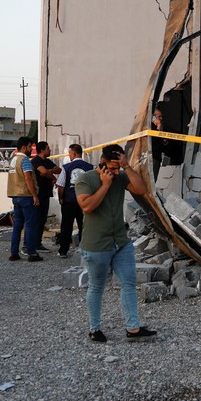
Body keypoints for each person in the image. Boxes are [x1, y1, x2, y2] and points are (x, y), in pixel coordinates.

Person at [75, 144, 156, 343]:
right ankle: (94, 329)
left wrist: (127, 167)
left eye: (117, 168)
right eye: (111, 168)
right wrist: (105, 185)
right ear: (101, 163)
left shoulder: (121, 176)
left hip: (121, 242)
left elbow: (141, 188)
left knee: (129, 283)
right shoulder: (86, 179)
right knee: (96, 286)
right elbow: (86, 207)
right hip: (96, 245)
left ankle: (133, 329)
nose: (115, 172)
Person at [6, 136, 41, 262]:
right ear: (24, 147)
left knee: (17, 225)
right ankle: (32, 253)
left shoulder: (13, 160)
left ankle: (14, 252)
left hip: (15, 196)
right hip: (25, 196)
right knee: (30, 224)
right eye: (30, 146)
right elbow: (28, 178)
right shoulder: (25, 160)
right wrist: (35, 195)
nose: (31, 149)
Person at [55, 143, 92, 258]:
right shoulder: (90, 167)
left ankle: (63, 250)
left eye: (70, 153)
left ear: (74, 153)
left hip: (69, 201)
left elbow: (60, 185)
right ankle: (85, 250)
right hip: (85, 201)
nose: (69, 156)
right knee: (84, 226)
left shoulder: (66, 167)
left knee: (66, 226)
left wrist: (61, 198)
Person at [29, 141, 60, 252]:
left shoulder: (47, 161)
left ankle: (37, 243)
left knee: (42, 220)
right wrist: (51, 175)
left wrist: (50, 173)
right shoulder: (36, 161)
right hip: (38, 195)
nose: (50, 150)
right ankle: (31, 244)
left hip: (46, 194)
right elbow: (43, 171)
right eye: (48, 148)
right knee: (36, 220)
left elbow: (59, 169)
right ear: (42, 150)